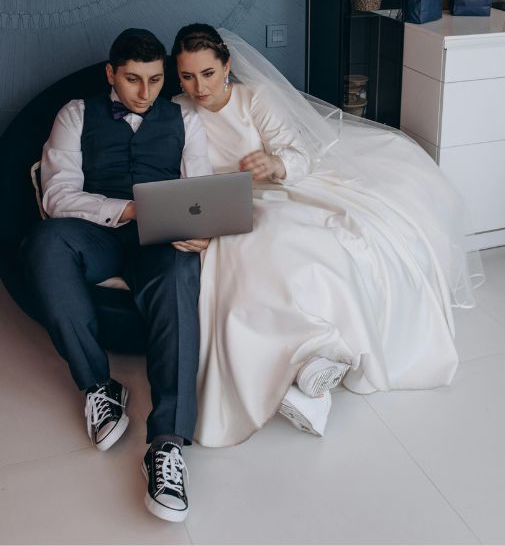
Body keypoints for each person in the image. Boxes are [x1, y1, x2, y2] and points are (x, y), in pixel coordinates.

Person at [170, 23, 480, 447]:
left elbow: (297, 153)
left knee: (308, 243)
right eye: (187, 76)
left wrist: (274, 165)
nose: (198, 87)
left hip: (276, 190)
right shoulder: (176, 110)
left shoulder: (252, 100)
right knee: (246, 256)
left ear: (226, 66)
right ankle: (301, 367)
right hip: (218, 201)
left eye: (207, 73)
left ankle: (319, 357)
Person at [18, 28, 212, 522]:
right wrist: (127, 209)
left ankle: (166, 444)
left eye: (154, 80)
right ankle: (99, 388)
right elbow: (57, 197)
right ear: (111, 74)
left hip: (160, 237)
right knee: (44, 242)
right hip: (97, 234)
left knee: (178, 273)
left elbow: (201, 189)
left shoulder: (184, 118)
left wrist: (202, 228)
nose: (144, 93)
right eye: (132, 80)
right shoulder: (75, 114)